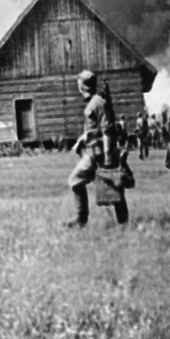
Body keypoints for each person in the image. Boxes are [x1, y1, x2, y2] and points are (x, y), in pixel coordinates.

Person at [66, 70, 129, 227]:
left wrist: (108, 159)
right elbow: (94, 129)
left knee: (112, 187)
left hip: (101, 154)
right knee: (106, 186)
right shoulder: (94, 102)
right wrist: (81, 140)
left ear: (82, 86)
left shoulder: (98, 103)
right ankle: (82, 220)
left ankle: (123, 223)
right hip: (93, 153)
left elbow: (107, 131)